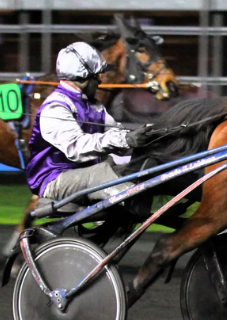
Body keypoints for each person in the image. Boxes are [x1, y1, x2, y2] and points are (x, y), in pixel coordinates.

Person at [25, 42, 157, 202]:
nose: (100, 82)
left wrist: (143, 140)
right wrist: (124, 140)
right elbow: (76, 148)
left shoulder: (95, 106)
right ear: (84, 78)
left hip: (85, 173)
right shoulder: (56, 106)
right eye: (97, 76)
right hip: (52, 179)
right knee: (102, 171)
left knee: (134, 167)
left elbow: (115, 141)